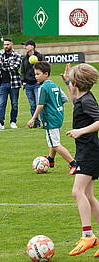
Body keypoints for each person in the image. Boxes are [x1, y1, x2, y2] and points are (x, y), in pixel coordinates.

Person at [61, 63, 99, 257]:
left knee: (77, 192)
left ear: (77, 82)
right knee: (88, 196)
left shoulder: (88, 102)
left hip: (89, 153)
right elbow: (75, 101)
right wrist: (68, 82)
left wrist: (80, 131)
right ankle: (91, 236)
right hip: (87, 152)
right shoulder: (83, 98)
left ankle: (88, 235)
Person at [27, 61, 77, 176]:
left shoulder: (43, 88)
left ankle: (73, 164)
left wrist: (33, 119)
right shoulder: (55, 85)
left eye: (38, 74)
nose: (36, 76)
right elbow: (64, 99)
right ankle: (50, 160)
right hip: (59, 116)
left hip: (50, 119)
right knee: (53, 140)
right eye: (35, 74)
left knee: (55, 143)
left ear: (46, 74)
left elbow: (40, 105)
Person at [0, 38, 22, 130]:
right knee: (1, 104)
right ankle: (0, 123)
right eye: (4, 44)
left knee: (14, 104)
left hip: (14, 83)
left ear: (12, 45)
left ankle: (13, 122)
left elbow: (15, 67)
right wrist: (9, 64)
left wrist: (4, 64)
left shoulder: (17, 55)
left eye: (8, 44)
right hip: (2, 84)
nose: (6, 46)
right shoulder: (0, 54)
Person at [21, 39, 45, 128]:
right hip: (28, 84)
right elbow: (22, 71)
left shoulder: (40, 56)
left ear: (32, 47)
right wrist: (23, 81)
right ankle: (36, 122)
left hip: (37, 84)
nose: (25, 47)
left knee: (40, 103)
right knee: (32, 105)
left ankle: (44, 122)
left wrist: (39, 64)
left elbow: (45, 68)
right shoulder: (24, 59)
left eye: (26, 45)